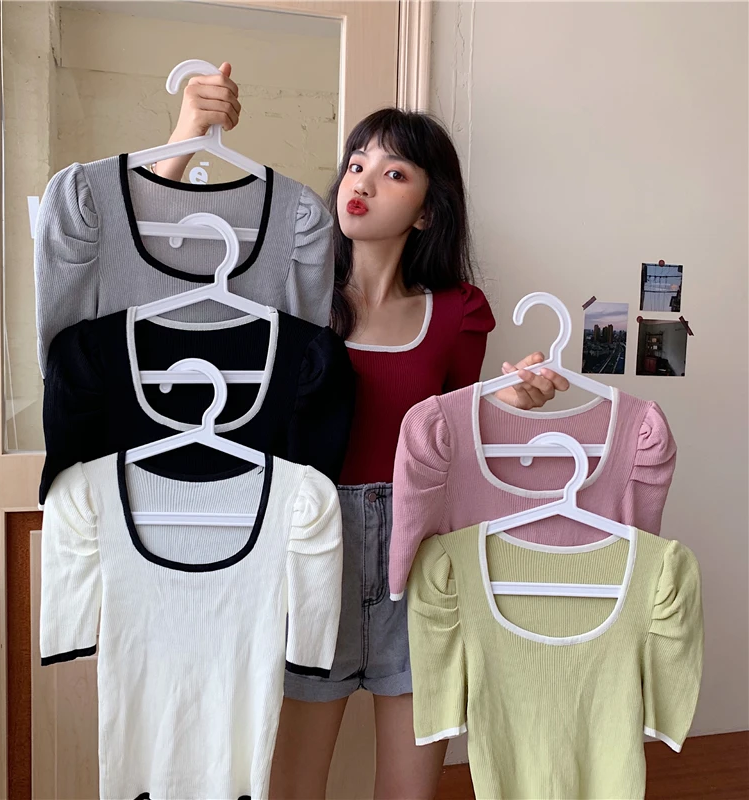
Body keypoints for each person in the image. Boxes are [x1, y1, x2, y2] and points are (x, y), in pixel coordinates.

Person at [154, 63, 569, 800]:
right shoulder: (287, 295)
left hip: (422, 554)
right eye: (357, 163)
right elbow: (161, 266)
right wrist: (188, 135)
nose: (364, 181)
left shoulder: (459, 313)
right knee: (293, 786)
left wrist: (518, 401)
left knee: (409, 790)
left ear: (428, 213)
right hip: (309, 546)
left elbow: (456, 440)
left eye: (394, 172)